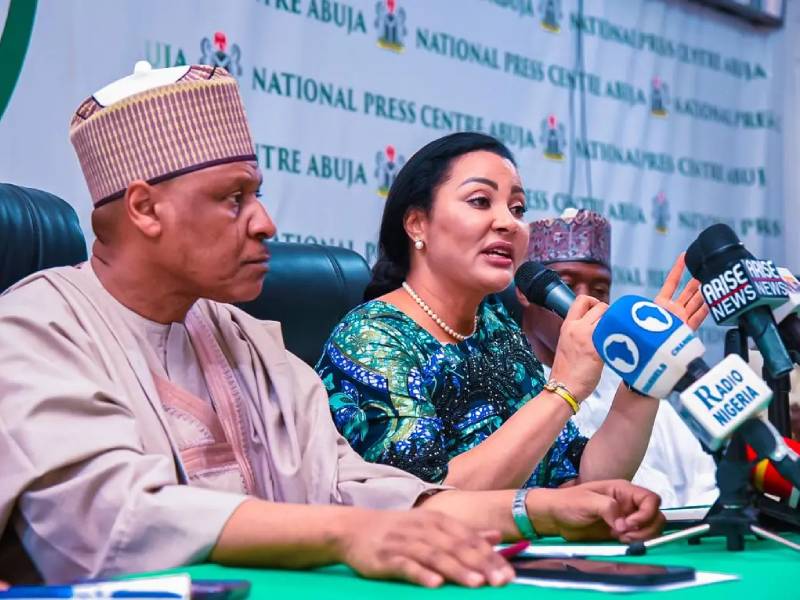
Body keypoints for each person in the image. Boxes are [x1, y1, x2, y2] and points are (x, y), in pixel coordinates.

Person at [0, 63, 665, 587]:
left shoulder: (245, 342)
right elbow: (117, 516)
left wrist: (542, 510)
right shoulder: (34, 330)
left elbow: (362, 490)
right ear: (145, 209)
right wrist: (344, 534)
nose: (266, 223)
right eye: (235, 199)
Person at [316, 132, 706, 493]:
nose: (508, 223)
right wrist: (563, 390)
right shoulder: (372, 340)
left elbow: (584, 478)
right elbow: (424, 500)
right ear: (418, 224)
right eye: (480, 201)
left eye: (517, 208)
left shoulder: (496, 328)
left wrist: (646, 374)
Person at [519, 209, 717, 507]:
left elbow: (702, 481)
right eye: (568, 286)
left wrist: (654, 363)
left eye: (600, 290)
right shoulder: (516, 382)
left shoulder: (627, 378)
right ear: (525, 293)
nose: (585, 302)